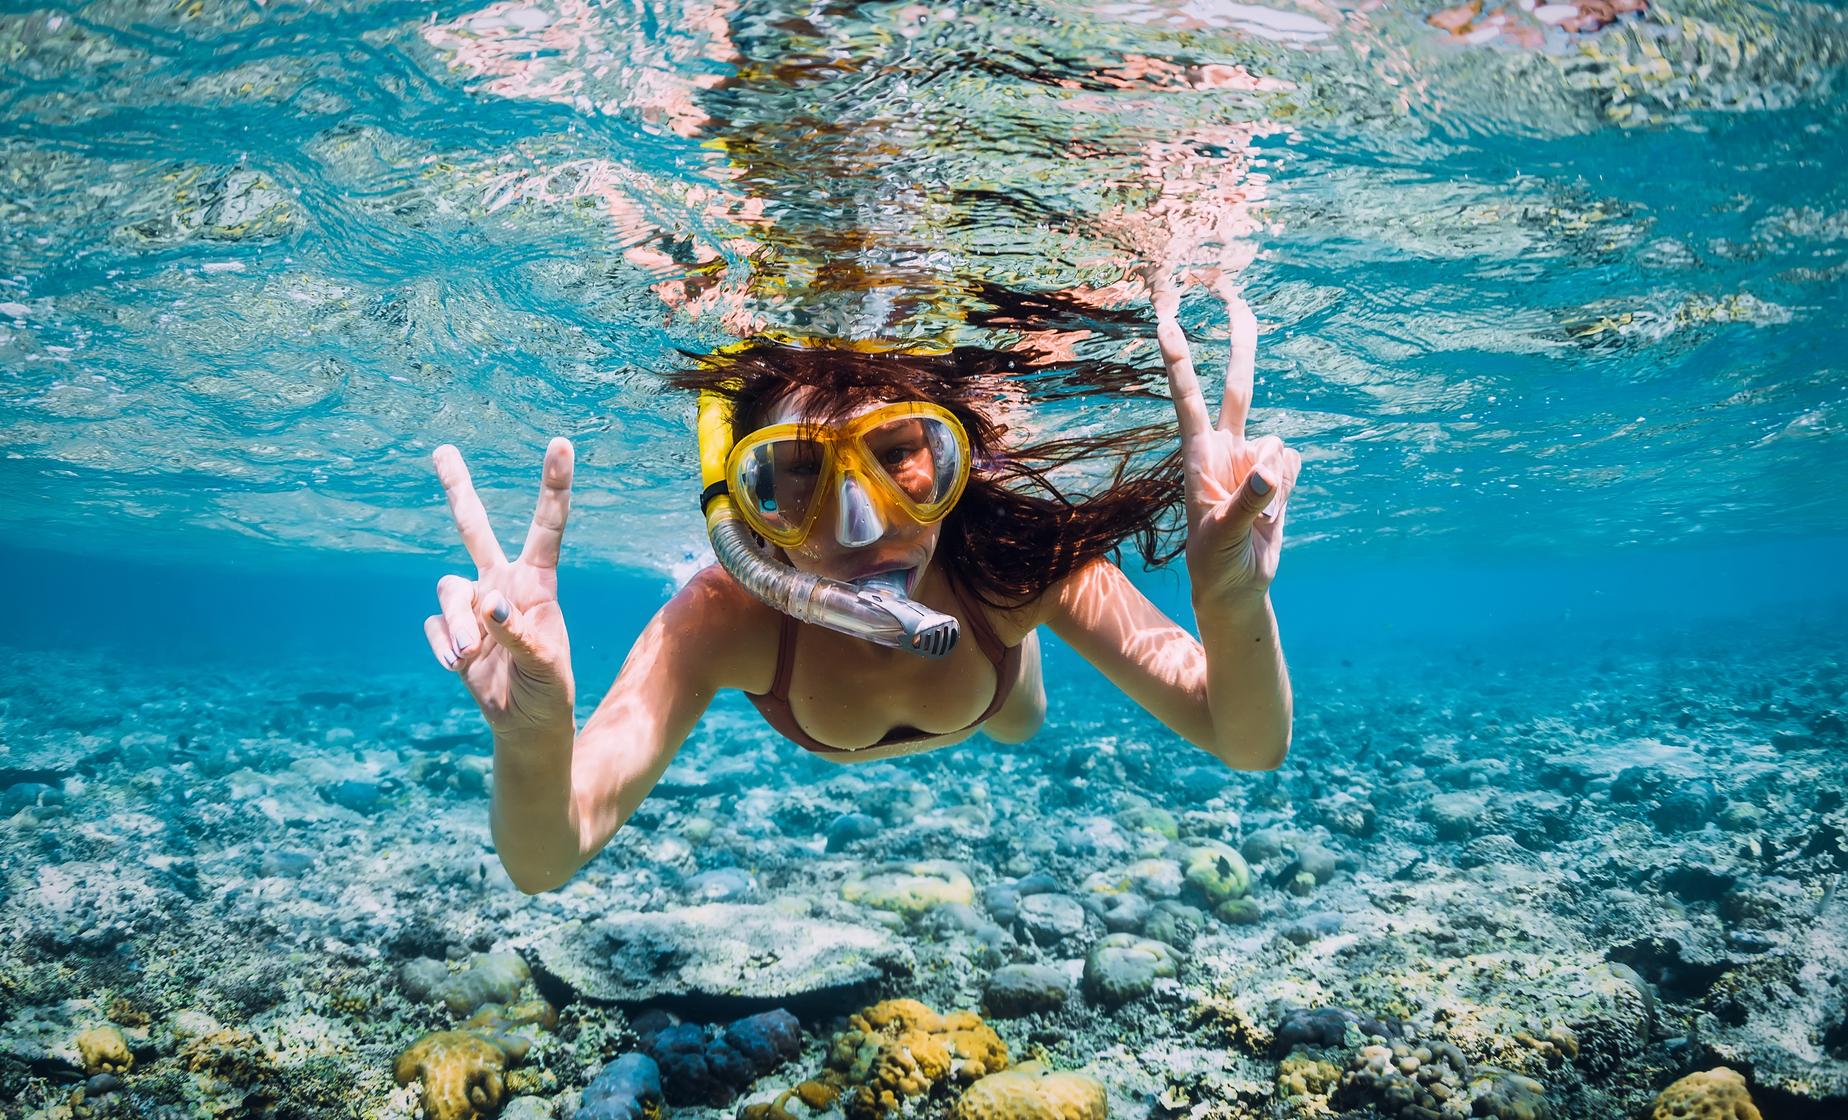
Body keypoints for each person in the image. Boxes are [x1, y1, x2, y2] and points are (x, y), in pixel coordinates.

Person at [423, 273, 1301, 893]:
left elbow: (1245, 740)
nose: (859, 525)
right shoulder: (725, 617)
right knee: (1006, 710)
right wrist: (534, 739)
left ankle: (1020, 663)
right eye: (800, 473)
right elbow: (546, 861)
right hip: (975, 666)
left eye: (899, 455)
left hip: (998, 684)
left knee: (1019, 720)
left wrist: (1232, 605)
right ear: (749, 503)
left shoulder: (1014, 569)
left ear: (956, 460)